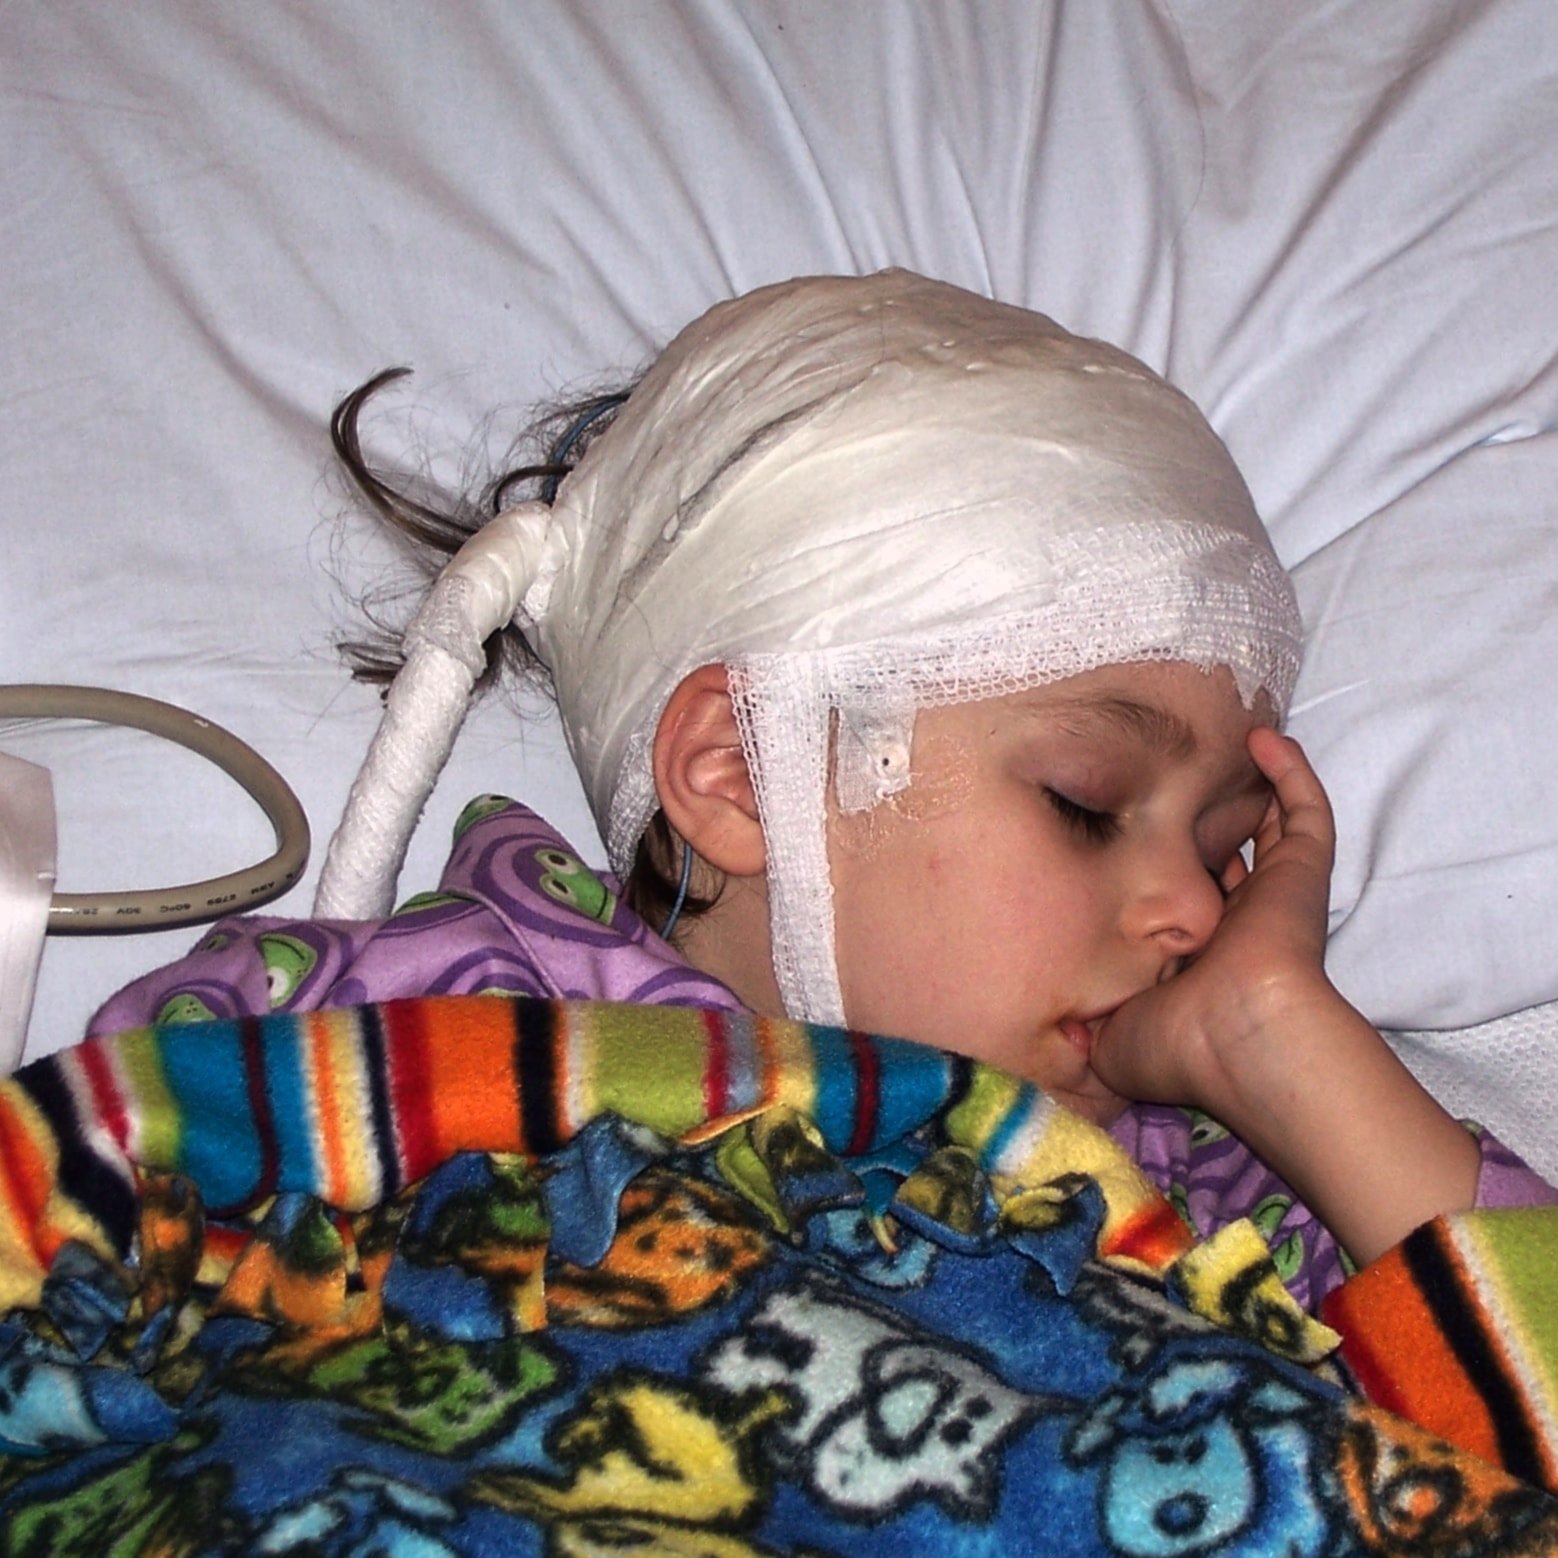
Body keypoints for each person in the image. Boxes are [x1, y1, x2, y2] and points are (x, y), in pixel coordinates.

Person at [89, 269, 1554, 1312]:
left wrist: (1281, 1044)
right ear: (741, 770)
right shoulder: (421, 1028)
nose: (1188, 907)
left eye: (1230, 847)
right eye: (1087, 801)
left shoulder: (1221, 1190)